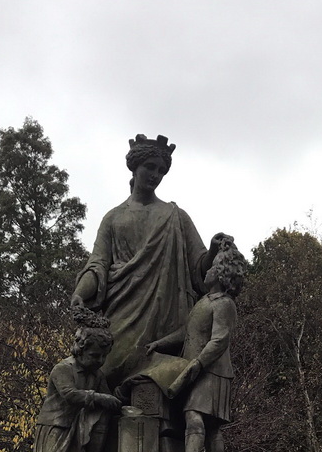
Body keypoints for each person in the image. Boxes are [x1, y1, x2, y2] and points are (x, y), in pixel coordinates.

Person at [71, 134, 227, 388]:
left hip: (165, 317)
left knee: (159, 380)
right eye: (150, 167)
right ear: (135, 167)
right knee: (107, 372)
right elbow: (97, 265)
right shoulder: (113, 218)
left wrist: (212, 250)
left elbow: (199, 269)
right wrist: (80, 292)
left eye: (161, 170)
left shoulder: (176, 216)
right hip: (121, 314)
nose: (155, 175)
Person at [145, 241, 247, 452]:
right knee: (208, 425)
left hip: (211, 370)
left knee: (198, 417)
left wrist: (199, 363)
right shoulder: (204, 302)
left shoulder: (224, 304)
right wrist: (160, 343)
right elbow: (186, 332)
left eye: (212, 268)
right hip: (195, 368)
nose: (208, 271)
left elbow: (219, 340)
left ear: (221, 274)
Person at [32, 314, 122, 452]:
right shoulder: (63, 369)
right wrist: (98, 397)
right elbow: (70, 394)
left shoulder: (98, 374)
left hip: (80, 424)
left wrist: (120, 395)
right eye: (95, 355)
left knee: (102, 413)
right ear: (80, 350)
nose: (100, 361)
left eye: (104, 356)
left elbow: (108, 397)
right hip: (58, 424)